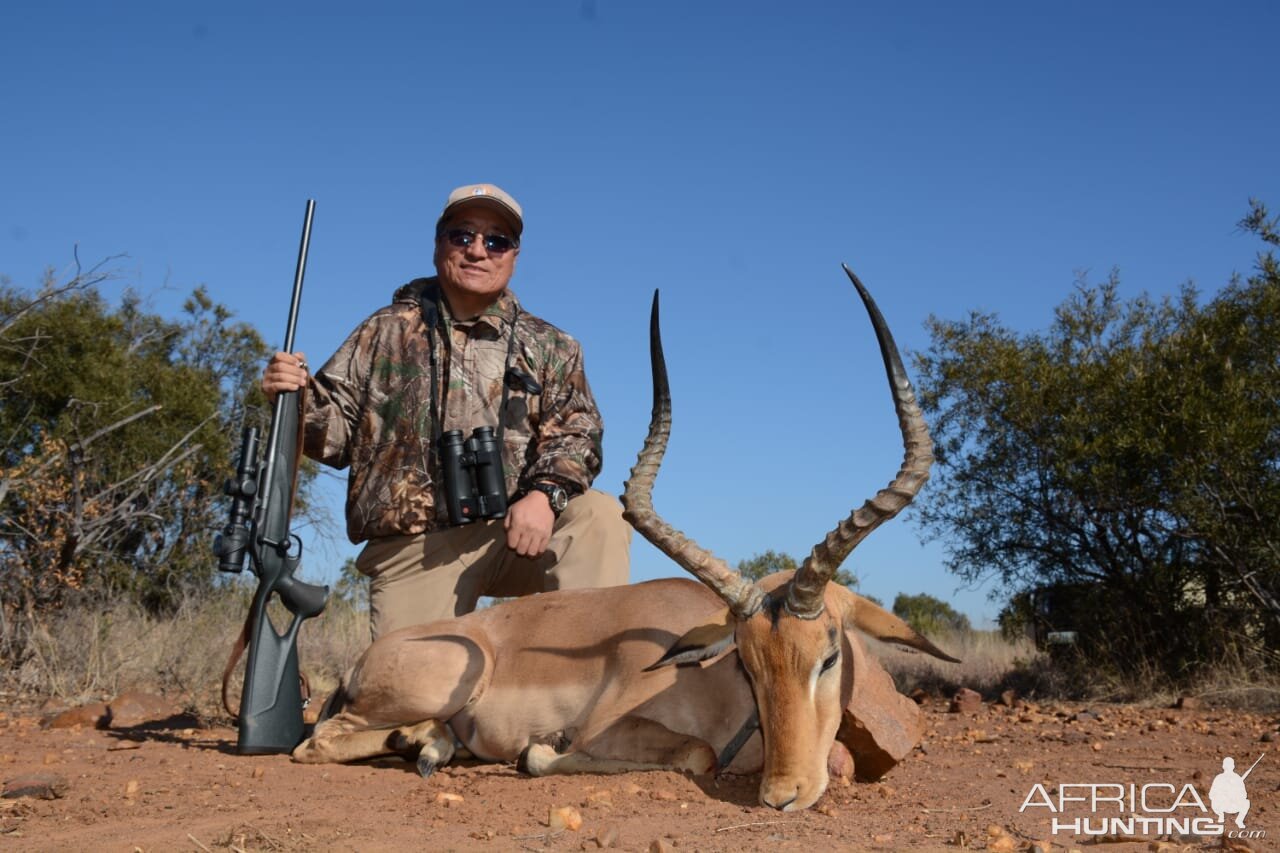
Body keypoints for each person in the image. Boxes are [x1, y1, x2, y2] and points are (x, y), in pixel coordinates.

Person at [262, 183, 631, 640]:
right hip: (415, 548)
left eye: (497, 241)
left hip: (516, 537)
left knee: (598, 516)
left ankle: (578, 680)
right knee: (408, 701)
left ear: (515, 255)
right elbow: (333, 438)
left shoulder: (554, 346)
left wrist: (545, 494)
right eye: (463, 236)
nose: (478, 250)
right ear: (439, 244)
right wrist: (295, 397)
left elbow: (578, 433)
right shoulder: (382, 330)